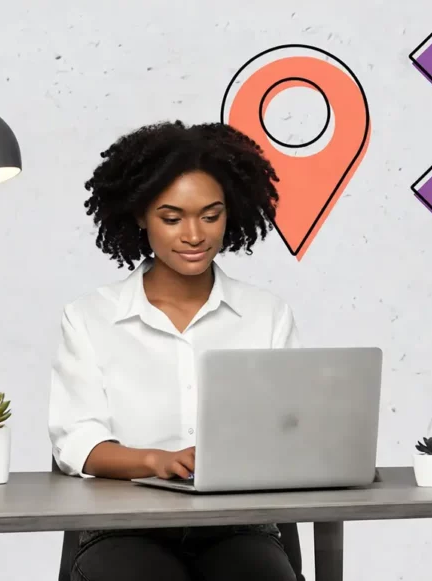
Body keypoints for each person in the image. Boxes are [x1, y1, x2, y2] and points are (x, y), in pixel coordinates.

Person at [48, 120, 301, 581]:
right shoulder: (90, 317)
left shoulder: (267, 315)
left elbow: (290, 431)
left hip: (238, 528)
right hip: (122, 531)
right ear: (140, 216)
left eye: (211, 215)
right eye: (172, 217)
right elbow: (76, 442)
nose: (194, 234)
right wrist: (155, 461)